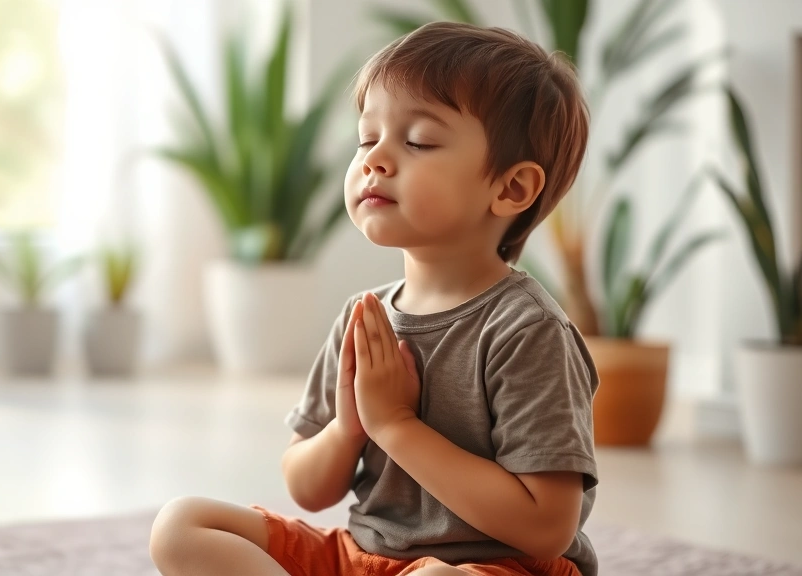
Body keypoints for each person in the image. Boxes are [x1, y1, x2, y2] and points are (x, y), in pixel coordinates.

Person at [150, 21, 598, 576]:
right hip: (365, 559)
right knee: (182, 524)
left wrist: (395, 426)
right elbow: (307, 488)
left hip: (495, 568)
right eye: (367, 138)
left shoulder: (526, 330)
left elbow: (547, 527)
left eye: (418, 142)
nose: (374, 160)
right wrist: (349, 428)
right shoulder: (365, 316)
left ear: (510, 189)